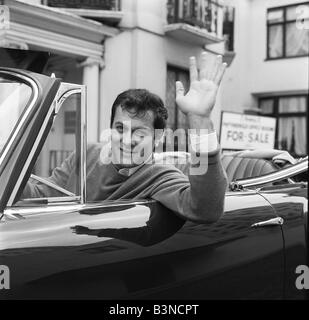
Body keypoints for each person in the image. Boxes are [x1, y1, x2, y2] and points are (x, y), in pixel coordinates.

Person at [22, 52, 228, 224]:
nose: (128, 140)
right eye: (120, 128)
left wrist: (200, 121)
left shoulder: (159, 176)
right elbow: (42, 195)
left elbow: (204, 210)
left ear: (158, 138)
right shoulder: (87, 154)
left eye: (140, 133)